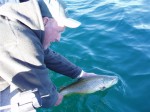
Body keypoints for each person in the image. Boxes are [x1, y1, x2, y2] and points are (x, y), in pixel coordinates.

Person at [0, 0, 97, 111]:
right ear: (45, 21)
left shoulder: (18, 22)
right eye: (59, 31)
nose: (58, 39)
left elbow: (45, 53)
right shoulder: (19, 42)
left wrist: (81, 74)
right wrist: (55, 97)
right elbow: (46, 97)